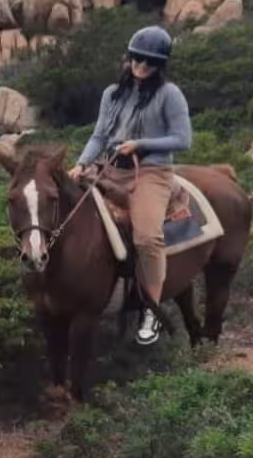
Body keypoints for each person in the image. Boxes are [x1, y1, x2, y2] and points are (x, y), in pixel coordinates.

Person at [69, 25, 193, 346]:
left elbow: (183, 139)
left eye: (149, 63)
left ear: (159, 66)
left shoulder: (170, 95)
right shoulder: (112, 93)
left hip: (150, 172)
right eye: (137, 59)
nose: (141, 66)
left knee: (148, 237)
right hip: (109, 167)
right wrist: (82, 163)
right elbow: (99, 135)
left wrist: (141, 144)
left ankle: (150, 306)